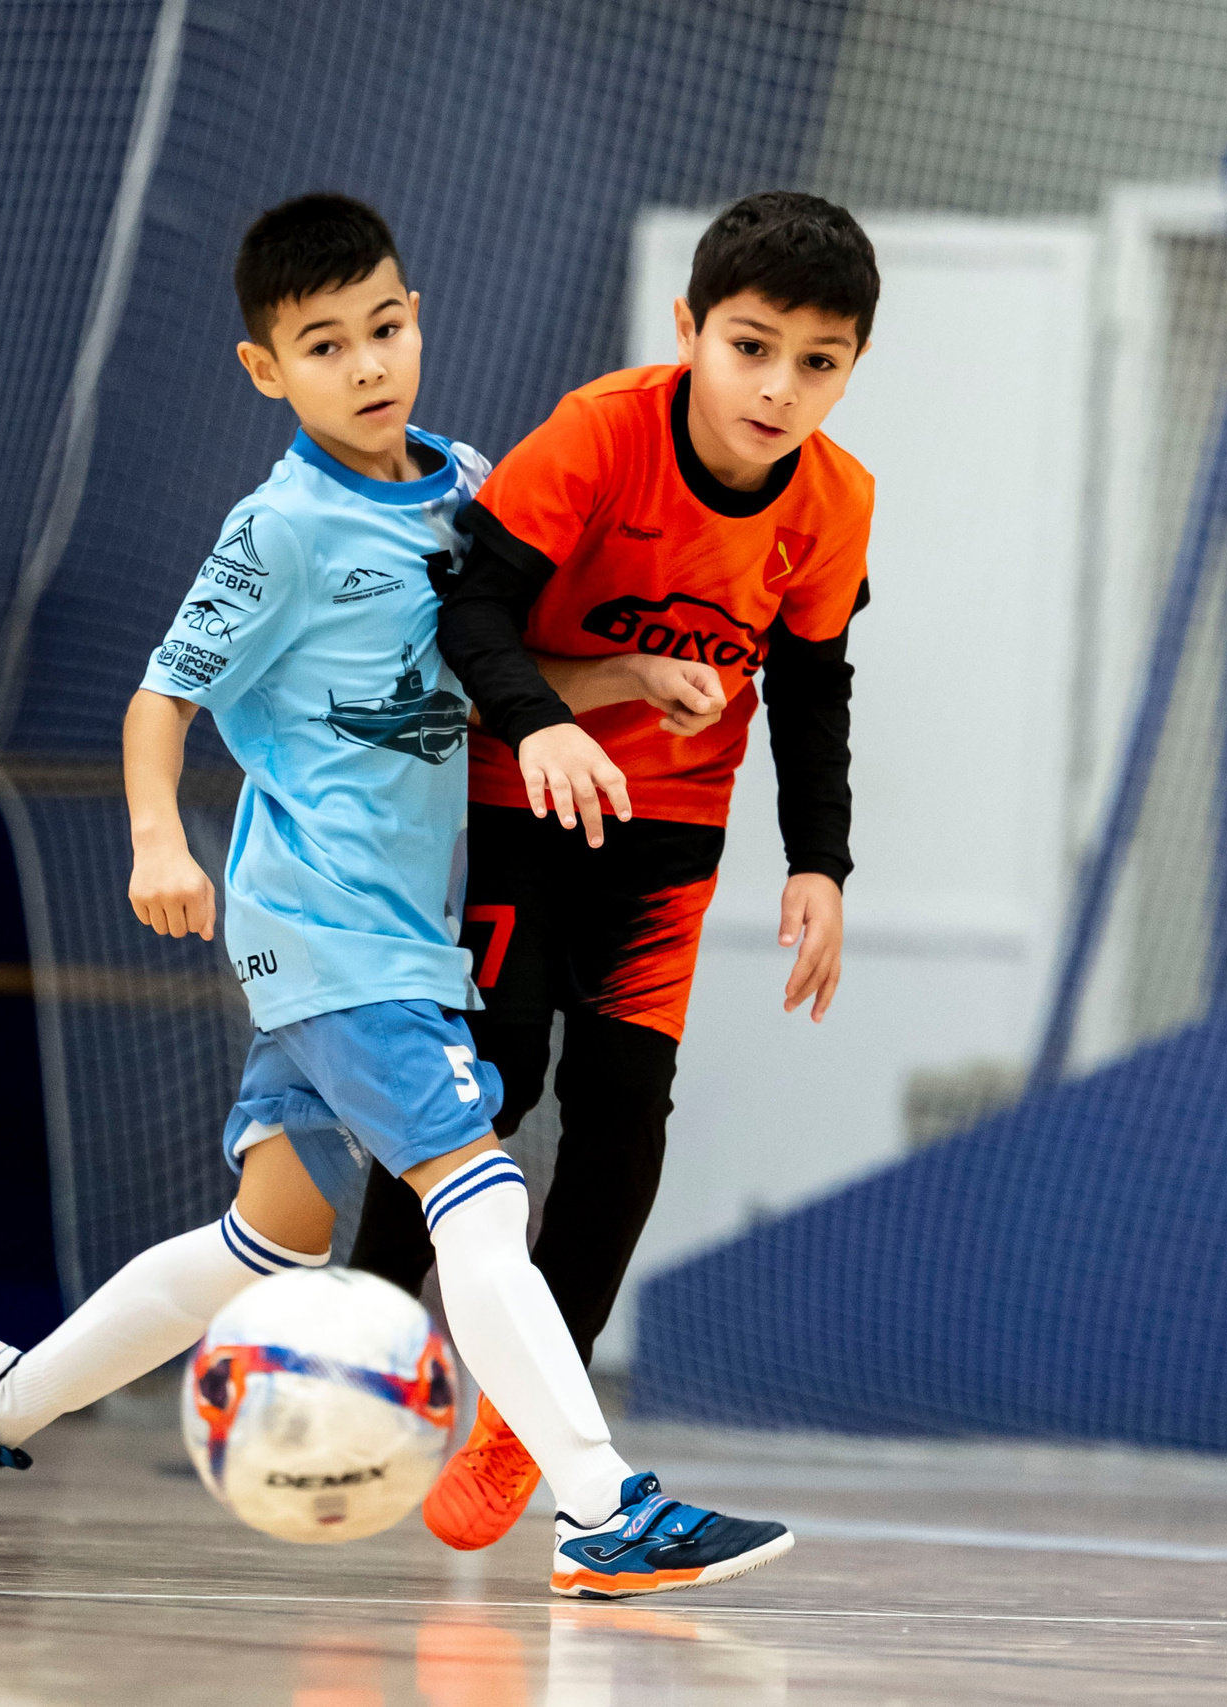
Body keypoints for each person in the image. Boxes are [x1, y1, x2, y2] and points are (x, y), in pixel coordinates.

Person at [0, 192, 792, 1601]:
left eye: (383, 327)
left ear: (417, 317)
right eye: (323, 344)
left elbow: (475, 686)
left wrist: (615, 682)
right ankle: (603, 1504)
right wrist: (153, 845)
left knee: (267, 1244)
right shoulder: (282, 528)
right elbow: (159, 697)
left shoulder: (465, 483)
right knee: (475, 1193)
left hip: (389, 934)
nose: (366, 364)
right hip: (326, 923)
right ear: (268, 371)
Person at [348, 191, 878, 1551]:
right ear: (690, 330)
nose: (778, 387)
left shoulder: (835, 503)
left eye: (818, 362)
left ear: (852, 369)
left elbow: (814, 690)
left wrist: (818, 865)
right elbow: (467, 609)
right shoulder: (598, 433)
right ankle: (356, 1337)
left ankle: (533, 1417)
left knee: (625, 1112)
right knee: (490, 1080)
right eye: (752, 347)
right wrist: (545, 726)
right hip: (527, 789)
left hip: (673, 834)